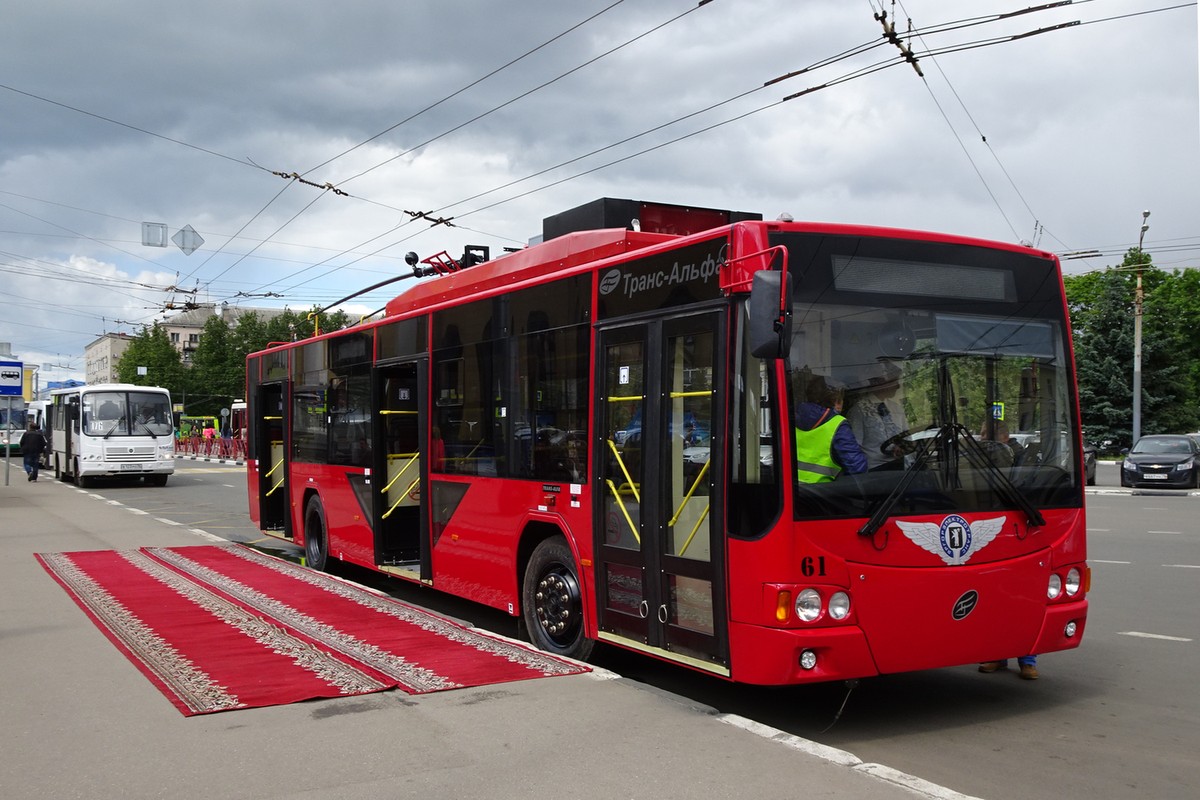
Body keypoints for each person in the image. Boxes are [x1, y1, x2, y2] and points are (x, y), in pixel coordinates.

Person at [794, 376, 867, 483]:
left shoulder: (791, 415)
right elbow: (857, 468)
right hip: (822, 493)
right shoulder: (837, 424)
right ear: (836, 402)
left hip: (793, 489)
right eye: (842, 399)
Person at [846, 361, 909, 471]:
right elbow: (853, 448)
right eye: (894, 381)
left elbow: (907, 437)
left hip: (900, 469)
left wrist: (902, 447)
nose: (898, 386)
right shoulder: (859, 411)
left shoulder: (897, 409)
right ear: (880, 382)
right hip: (874, 472)